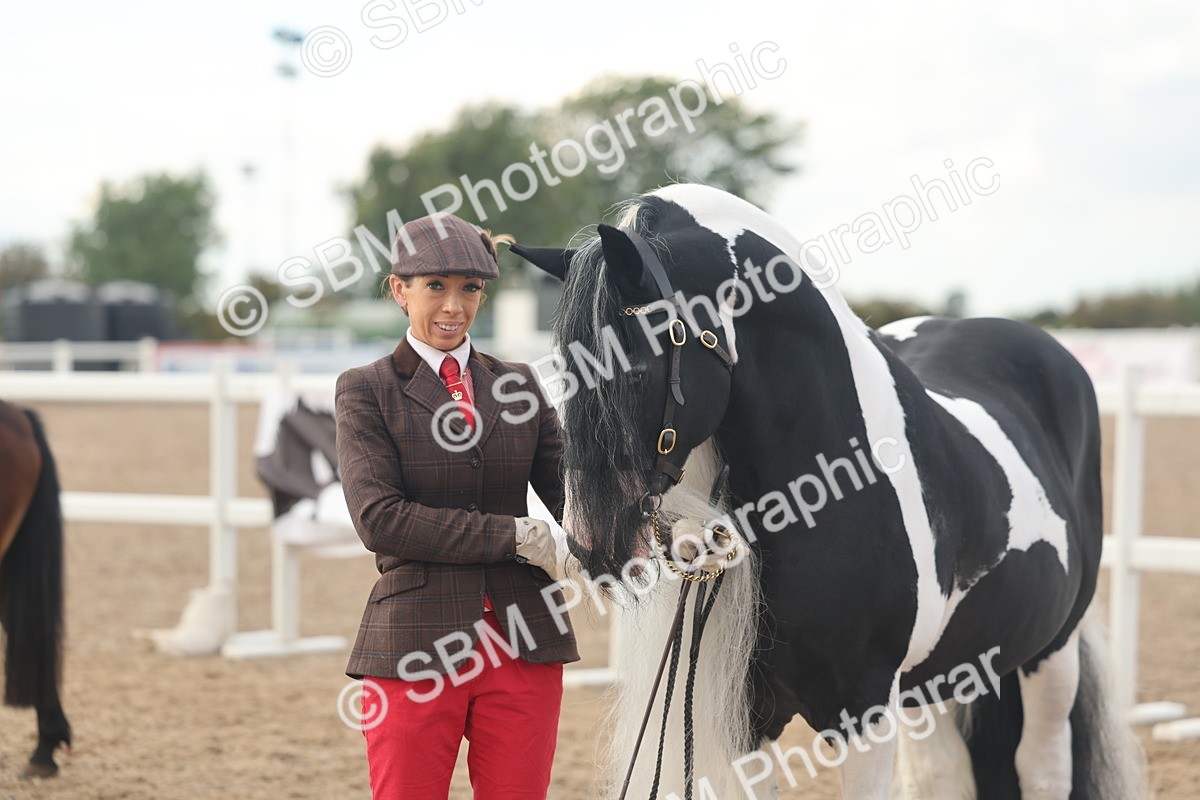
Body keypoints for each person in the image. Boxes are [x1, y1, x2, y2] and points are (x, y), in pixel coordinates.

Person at [334, 212, 578, 799]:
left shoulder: (517, 383)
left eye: (469, 289)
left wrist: (655, 508)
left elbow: (575, 496)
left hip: (524, 639)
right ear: (399, 290)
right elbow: (380, 520)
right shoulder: (366, 389)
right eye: (435, 287)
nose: (454, 306)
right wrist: (515, 536)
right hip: (415, 645)